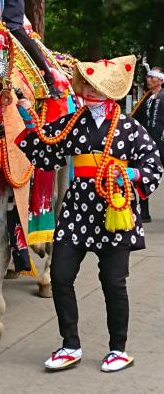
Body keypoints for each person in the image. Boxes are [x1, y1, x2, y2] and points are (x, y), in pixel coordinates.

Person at [15, 55, 163, 373]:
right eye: (87, 85)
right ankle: (70, 345)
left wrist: (131, 176)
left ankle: (118, 349)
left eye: (92, 86)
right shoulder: (73, 122)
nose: (86, 91)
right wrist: (27, 117)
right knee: (60, 276)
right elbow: (45, 147)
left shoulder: (129, 127)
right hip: (77, 209)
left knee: (113, 282)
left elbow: (153, 165)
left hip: (114, 207)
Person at [132, 67, 164, 222]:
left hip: (162, 143)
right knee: (144, 174)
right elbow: (135, 119)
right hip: (147, 145)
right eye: (148, 77)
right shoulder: (145, 98)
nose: (149, 79)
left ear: (161, 80)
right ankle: (144, 212)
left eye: (152, 77)